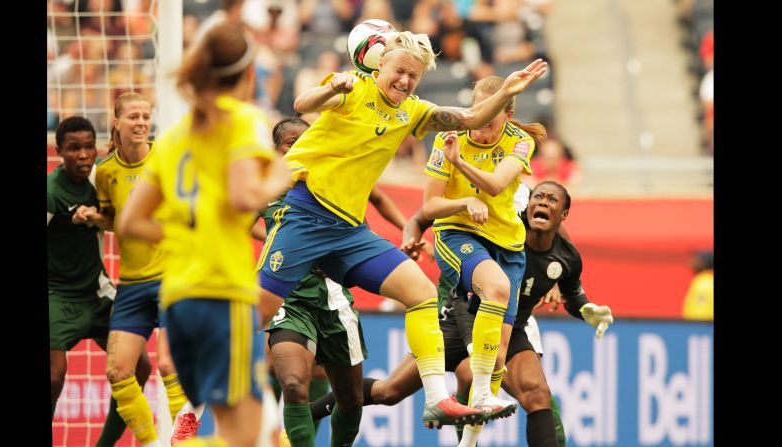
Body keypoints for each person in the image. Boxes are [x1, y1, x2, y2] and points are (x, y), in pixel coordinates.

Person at [256, 28, 547, 429]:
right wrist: (330, 89)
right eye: (399, 71)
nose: (405, 81)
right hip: (305, 216)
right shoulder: (353, 88)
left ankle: (437, 400)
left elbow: (471, 117)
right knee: (256, 314)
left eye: (414, 76)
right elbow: (301, 103)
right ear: (380, 66)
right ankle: (192, 396)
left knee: (422, 292)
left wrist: (506, 89)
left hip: (348, 229)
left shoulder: (413, 111)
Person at [311, 181, 614, 447]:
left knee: (538, 394)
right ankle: (313, 412)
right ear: (527, 203)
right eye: (539, 197)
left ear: (563, 216)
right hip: (462, 316)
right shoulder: (501, 227)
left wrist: (586, 309)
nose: (543, 203)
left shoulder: (565, 256)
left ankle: (464, 423)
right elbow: (429, 227)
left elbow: (575, 293)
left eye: (552, 201)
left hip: (513, 326)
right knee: (391, 392)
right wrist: (412, 235)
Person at [117, 21, 292, 447]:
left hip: (177, 296)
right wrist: (281, 177)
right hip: (222, 293)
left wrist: (185, 231)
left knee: (254, 429)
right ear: (249, 74)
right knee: (243, 437)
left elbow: (130, 223)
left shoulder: (176, 137)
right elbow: (242, 195)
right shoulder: (243, 119)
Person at [262, 116, 425, 447]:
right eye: (290, 145)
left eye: (306, 142)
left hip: (334, 300)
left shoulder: (336, 177)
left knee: (350, 400)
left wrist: (408, 229)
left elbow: (376, 197)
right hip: (291, 300)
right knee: (294, 383)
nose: (299, 149)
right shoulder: (267, 186)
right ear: (276, 151)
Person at [422, 74, 546, 427]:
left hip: (508, 244)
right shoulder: (449, 138)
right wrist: (463, 200)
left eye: (489, 122)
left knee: (496, 362)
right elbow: (429, 206)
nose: (479, 130)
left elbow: (494, 186)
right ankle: (472, 395)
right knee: (497, 288)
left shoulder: (520, 141)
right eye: (476, 117)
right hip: (457, 234)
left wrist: (460, 162)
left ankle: (474, 420)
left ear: (506, 115)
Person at [83, 92, 192, 447]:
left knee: (168, 366)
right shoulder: (107, 173)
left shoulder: (168, 157)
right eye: (133, 116)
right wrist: (95, 218)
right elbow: (117, 223)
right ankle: (151, 442)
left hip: (172, 278)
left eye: (146, 116)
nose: (142, 122)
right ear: (116, 122)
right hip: (131, 284)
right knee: (118, 371)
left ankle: (183, 443)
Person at [48, 116, 152, 447]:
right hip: (56, 296)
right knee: (53, 376)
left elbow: (119, 218)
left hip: (97, 293)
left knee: (139, 368)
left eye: (88, 146)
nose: (83, 155)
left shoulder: (103, 179)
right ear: (59, 151)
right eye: (73, 148)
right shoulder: (51, 193)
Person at [682, 250, 713, 320]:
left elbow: (700, 311)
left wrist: (694, 327)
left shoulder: (704, 282)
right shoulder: (706, 280)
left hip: (699, 328)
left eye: (697, 260)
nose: (692, 263)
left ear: (705, 263)